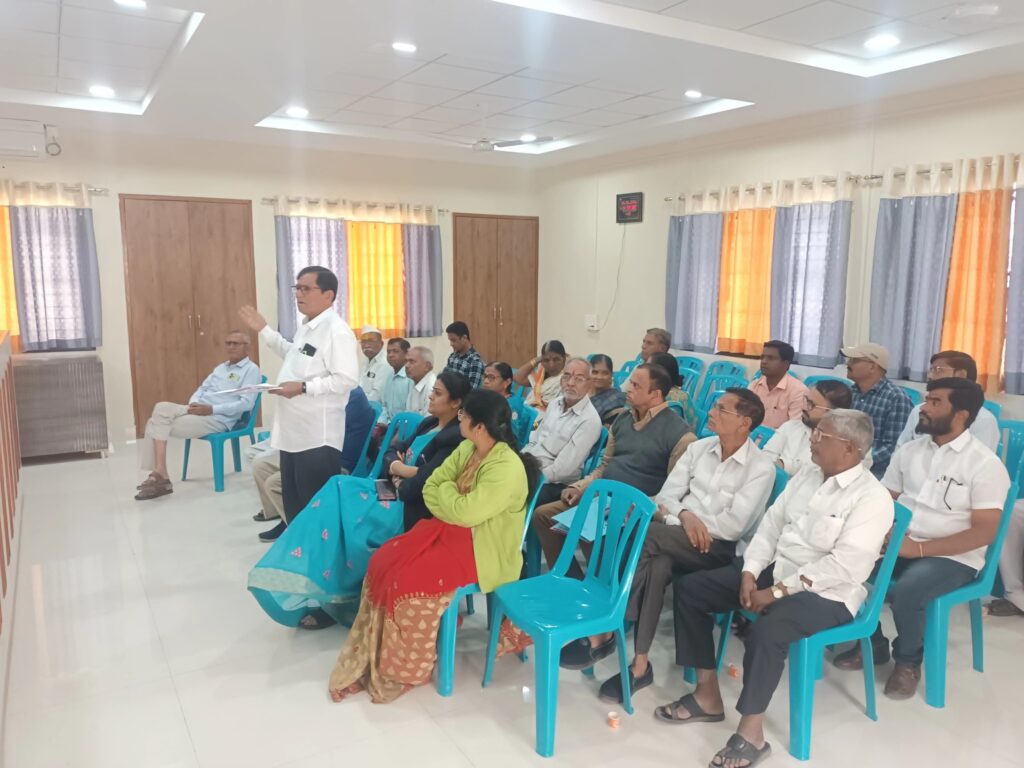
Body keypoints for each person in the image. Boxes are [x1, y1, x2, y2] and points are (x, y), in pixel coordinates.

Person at [661, 410, 892, 768]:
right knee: (692, 589)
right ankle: (707, 695)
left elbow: (844, 566)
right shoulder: (808, 475)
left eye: (821, 435)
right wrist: (750, 572)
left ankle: (752, 734)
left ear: (849, 448)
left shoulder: (871, 498)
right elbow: (770, 527)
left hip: (828, 593)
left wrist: (776, 592)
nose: (812, 439)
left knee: (769, 631)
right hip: (778, 570)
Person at [327, 389, 538, 704]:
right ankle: (384, 651)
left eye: (464, 415)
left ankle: (406, 668)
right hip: (447, 530)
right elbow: (431, 485)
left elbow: (465, 512)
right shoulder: (468, 447)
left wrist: (447, 496)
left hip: (482, 549)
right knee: (383, 561)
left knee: (406, 581)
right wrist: (451, 499)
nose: (459, 419)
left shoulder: (506, 467)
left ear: (480, 426)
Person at [577, 389, 776, 700]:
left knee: (645, 534)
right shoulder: (699, 449)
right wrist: (684, 516)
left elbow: (732, 526)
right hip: (677, 534)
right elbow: (667, 495)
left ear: (744, 422)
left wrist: (686, 520)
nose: (711, 412)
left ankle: (606, 627)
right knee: (656, 564)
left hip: (721, 549)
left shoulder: (760, 468)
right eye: (714, 406)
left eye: (721, 409)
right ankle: (640, 665)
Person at [833, 378, 1011, 700]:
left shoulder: (985, 465)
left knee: (909, 591)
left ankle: (908, 662)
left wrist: (919, 549)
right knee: (846, 566)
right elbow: (884, 499)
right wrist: (882, 530)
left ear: (961, 414)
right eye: (927, 399)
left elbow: (984, 532)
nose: (923, 408)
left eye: (935, 402)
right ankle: (872, 644)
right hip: (902, 542)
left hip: (953, 555)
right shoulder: (910, 451)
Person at [531, 363, 695, 576]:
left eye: (635, 385)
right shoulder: (623, 419)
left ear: (655, 394)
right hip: (602, 497)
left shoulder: (680, 435)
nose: (627, 388)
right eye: (630, 383)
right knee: (543, 516)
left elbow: (674, 491)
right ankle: (569, 579)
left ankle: (602, 586)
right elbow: (605, 465)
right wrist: (580, 487)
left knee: (593, 530)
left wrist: (639, 504)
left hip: (634, 507)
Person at [239, 266, 359, 541]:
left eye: (306, 288)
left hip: (317, 438)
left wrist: (304, 387)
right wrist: (264, 330)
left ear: (328, 295)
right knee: (294, 506)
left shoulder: (336, 331)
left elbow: (346, 379)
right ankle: (298, 555)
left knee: (315, 511)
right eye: (297, 288)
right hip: (293, 435)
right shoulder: (307, 328)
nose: (299, 294)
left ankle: (318, 560)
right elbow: (292, 354)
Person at [135, 330, 260, 500]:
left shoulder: (251, 370)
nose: (231, 347)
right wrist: (194, 403)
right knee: (161, 407)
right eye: (228, 343)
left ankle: (159, 475)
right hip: (198, 410)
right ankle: (161, 473)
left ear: (247, 347)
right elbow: (202, 388)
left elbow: (247, 404)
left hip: (218, 418)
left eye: (236, 343)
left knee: (153, 423)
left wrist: (212, 409)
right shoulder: (221, 368)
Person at [250, 387, 376, 537]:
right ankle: (281, 515)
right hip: (312, 449)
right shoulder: (328, 390)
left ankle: (298, 530)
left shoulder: (350, 395)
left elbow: (319, 429)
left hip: (337, 460)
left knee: (274, 483)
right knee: (261, 465)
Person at [385, 371, 474, 531]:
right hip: (393, 488)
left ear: (455, 402)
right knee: (341, 486)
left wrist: (399, 476)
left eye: (437, 393)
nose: (430, 397)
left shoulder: (455, 437)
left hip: (408, 506)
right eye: (433, 391)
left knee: (347, 502)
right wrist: (400, 468)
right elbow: (394, 450)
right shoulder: (429, 423)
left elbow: (427, 479)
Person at [523, 357, 602, 506]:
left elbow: (563, 470)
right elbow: (535, 439)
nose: (570, 383)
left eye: (579, 379)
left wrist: (530, 477)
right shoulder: (554, 404)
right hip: (532, 467)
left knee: (512, 494)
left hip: (555, 483)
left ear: (589, 384)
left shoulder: (590, 420)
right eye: (566, 376)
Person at [896, 350, 999, 451]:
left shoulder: (983, 420)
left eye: (938, 370)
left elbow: (978, 459)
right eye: (930, 370)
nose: (930, 376)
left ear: (961, 375)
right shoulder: (919, 410)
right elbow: (900, 450)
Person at [842, 342, 913, 479]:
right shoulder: (849, 392)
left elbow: (893, 447)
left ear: (872, 366)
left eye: (854, 360)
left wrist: (856, 461)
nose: (848, 364)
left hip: (875, 473)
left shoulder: (896, 398)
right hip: (844, 463)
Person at [762, 379, 854, 475]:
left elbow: (815, 471)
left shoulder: (839, 444)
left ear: (833, 413)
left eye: (812, 405)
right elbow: (766, 456)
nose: (804, 407)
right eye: (806, 401)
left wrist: (782, 465)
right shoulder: (790, 426)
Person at [749, 340, 809, 429]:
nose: (764, 361)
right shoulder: (754, 386)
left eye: (771, 358)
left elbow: (795, 429)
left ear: (786, 364)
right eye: (762, 357)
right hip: (751, 435)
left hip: (781, 437)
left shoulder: (799, 391)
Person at [514, 340, 567, 411]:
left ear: (564, 359)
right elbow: (517, 378)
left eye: (556, 360)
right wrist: (536, 360)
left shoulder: (568, 377)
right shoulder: (541, 373)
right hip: (531, 412)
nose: (551, 365)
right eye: (546, 360)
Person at [649, 351, 696, 428]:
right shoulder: (684, 396)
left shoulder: (652, 396)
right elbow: (693, 423)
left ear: (659, 373)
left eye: (648, 368)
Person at [376, 337, 413, 425]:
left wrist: (394, 426)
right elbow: (384, 406)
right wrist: (382, 423)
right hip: (388, 426)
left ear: (407, 354)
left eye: (395, 351)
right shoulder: (389, 377)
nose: (390, 355)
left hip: (404, 427)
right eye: (388, 352)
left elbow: (411, 410)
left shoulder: (410, 378)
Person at [443, 320, 485, 388]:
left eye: (453, 340)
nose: (451, 344)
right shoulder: (452, 357)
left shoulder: (475, 361)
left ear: (464, 338)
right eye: (450, 340)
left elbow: (472, 390)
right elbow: (444, 379)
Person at [588, 353, 628, 424]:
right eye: (595, 372)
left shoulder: (617, 399)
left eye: (605, 373)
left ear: (611, 375)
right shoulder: (581, 395)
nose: (599, 377)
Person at [358, 326, 391, 403]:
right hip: (363, 404)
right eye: (363, 342)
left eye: (371, 341)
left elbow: (377, 396)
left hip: (377, 408)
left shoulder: (385, 363)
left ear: (381, 344)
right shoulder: (365, 362)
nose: (366, 345)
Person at [404, 346, 437, 416]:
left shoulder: (432, 387)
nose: (406, 365)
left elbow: (429, 420)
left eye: (411, 361)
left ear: (427, 366)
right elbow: (408, 414)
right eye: (406, 361)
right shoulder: (414, 382)